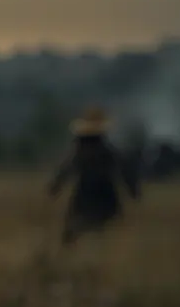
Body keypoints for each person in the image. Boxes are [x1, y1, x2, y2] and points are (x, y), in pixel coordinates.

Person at [49, 105, 139, 244]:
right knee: (90, 230)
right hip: (100, 196)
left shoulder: (87, 152)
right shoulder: (105, 151)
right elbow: (125, 170)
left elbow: (66, 169)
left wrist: (55, 187)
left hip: (92, 195)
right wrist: (133, 191)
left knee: (77, 230)